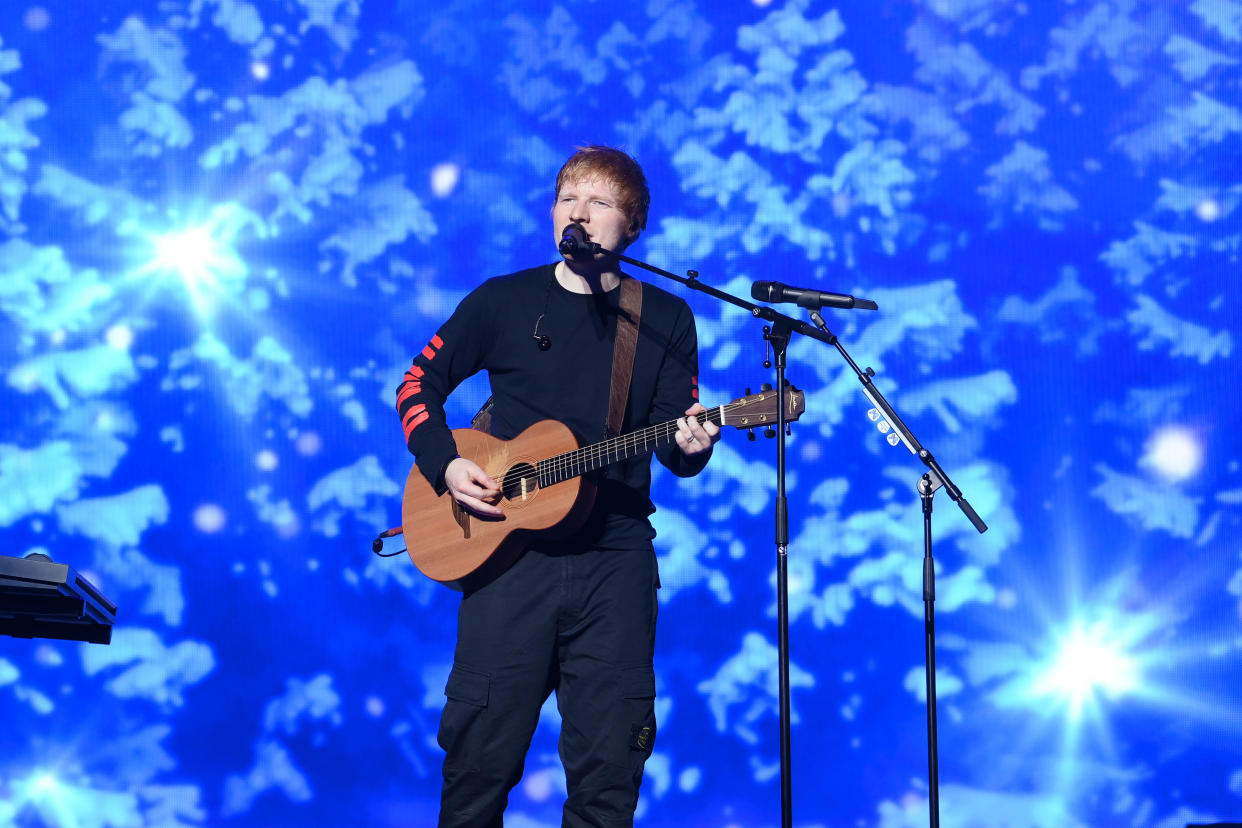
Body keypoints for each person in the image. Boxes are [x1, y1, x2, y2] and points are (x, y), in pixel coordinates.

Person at [396, 145, 719, 827]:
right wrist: (447, 464)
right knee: (477, 765)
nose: (577, 211)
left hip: (615, 560)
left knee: (609, 773)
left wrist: (694, 444)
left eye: (598, 201)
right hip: (509, 564)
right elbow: (416, 385)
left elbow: (678, 449)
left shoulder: (663, 319)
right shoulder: (502, 301)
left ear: (631, 227)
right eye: (567, 197)